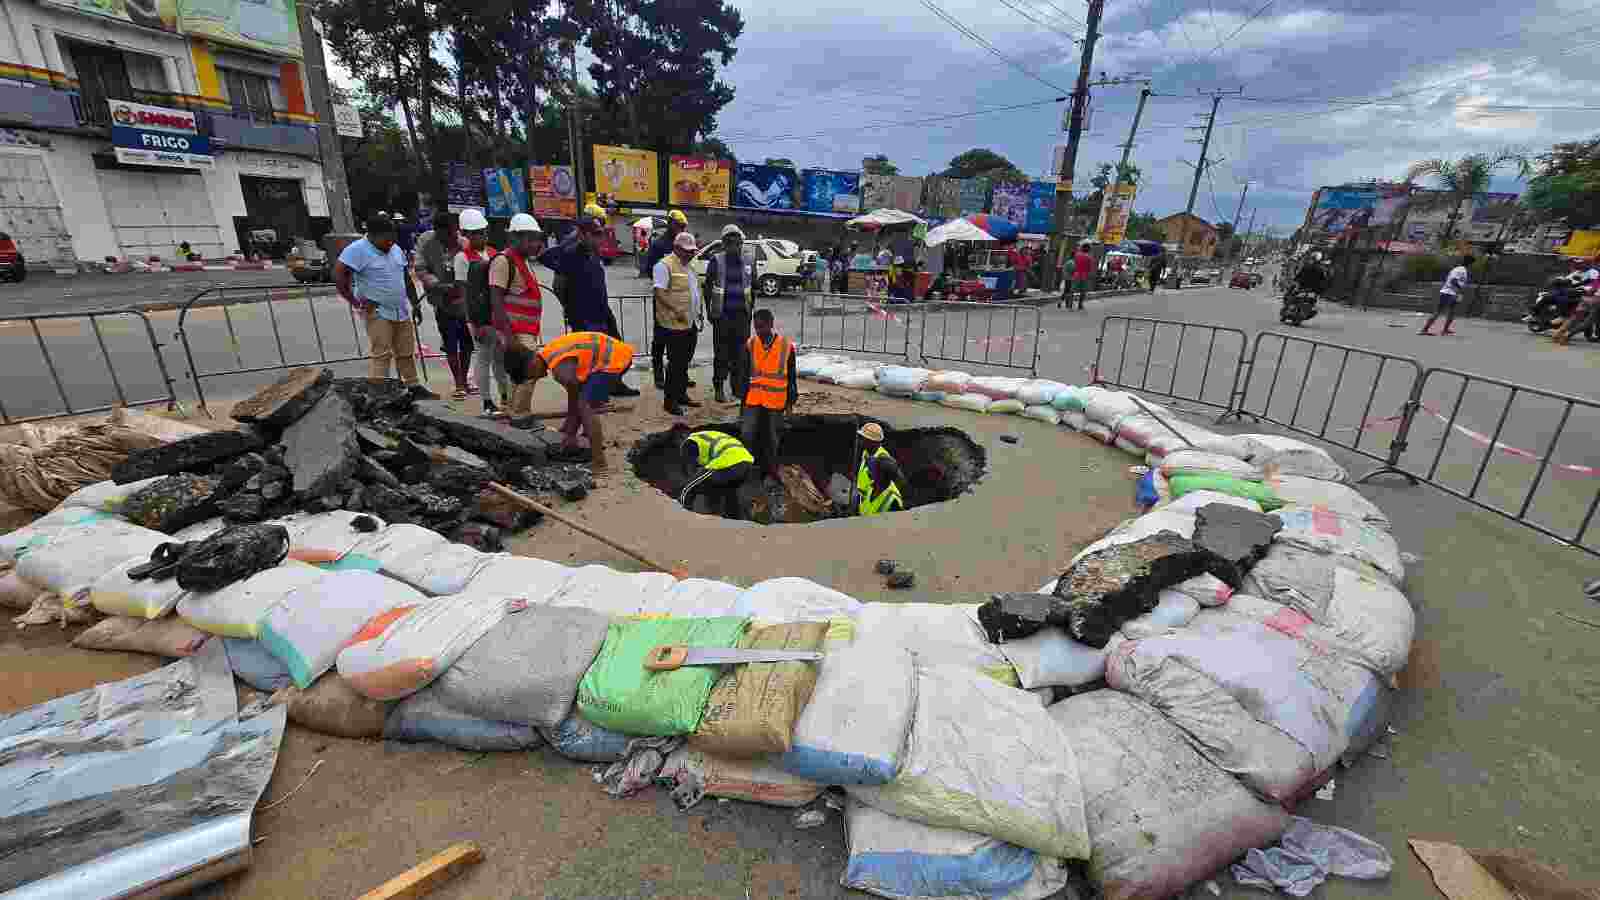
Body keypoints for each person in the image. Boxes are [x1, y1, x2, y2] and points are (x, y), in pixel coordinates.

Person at [539, 207, 640, 397]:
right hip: (584, 315)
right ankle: (593, 395)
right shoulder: (571, 254)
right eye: (595, 234)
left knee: (617, 349)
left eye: (600, 234)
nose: (600, 238)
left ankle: (615, 384)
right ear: (583, 235)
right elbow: (547, 261)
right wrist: (570, 308)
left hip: (602, 310)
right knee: (593, 357)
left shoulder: (594, 252)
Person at [504, 331, 634, 471]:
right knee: (583, 402)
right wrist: (568, 430)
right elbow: (574, 397)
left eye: (530, 376)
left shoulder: (560, 370)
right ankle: (589, 441)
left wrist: (570, 432)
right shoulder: (550, 354)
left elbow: (576, 400)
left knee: (586, 407)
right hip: (613, 354)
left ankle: (599, 462)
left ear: (530, 365)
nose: (536, 378)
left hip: (612, 360)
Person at [335, 214, 433, 397]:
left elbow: (405, 277)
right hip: (377, 310)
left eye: (392, 238)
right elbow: (339, 276)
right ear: (372, 235)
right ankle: (380, 392)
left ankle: (413, 386)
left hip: (400, 309)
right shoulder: (356, 250)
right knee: (382, 353)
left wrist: (415, 304)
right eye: (386, 239)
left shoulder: (395, 248)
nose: (391, 242)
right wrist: (355, 302)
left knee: (406, 351)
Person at [488, 213, 548, 428]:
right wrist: (509, 336)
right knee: (528, 373)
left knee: (520, 375)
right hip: (515, 331)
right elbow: (496, 299)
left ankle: (515, 413)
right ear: (514, 238)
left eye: (536, 239)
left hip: (526, 330)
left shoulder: (522, 261)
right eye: (530, 239)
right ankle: (520, 415)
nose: (535, 244)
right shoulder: (504, 261)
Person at [415, 211, 475, 401]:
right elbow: (420, 268)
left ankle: (465, 380)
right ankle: (458, 383)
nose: (452, 236)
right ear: (438, 232)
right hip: (442, 300)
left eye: (454, 232)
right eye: (448, 233)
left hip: (464, 301)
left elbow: (474, 265)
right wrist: (437, 285)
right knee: (450, 343)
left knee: (466, 343)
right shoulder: (426, 242)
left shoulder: (464, 243)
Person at [456, 212, 510, 417]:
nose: (481, 236)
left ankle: (505, 397)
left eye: (482, 232)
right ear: (465, 234)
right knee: (483, 358)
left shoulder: (493, 253)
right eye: (476, 233)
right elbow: (464, 292)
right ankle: (487, 401)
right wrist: (474, 322)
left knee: (500, 359)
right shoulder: (462, 258)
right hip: (478, 317)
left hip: (495, 313)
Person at [736, 308, 796, 478]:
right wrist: (743, 404)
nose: (759, 331)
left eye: (762, 327)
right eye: (756, 327)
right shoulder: (751, 344)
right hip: (754, 399)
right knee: (746, 433)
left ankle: (773, 470)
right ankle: (746, 467)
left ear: (771, 325)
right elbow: (744, 375)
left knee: (774, 438)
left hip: (776, 400)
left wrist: (790, 406)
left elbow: (792, 379)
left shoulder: (786, 347)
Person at [705, 223, 757, 404]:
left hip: (742, 316)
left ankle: (738, 389)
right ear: (725, 244)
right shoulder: (716, 261)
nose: (735, 246)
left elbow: (753, 288)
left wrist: (751, 313)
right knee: (721, 354)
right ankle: (719, 387)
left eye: (738, 243)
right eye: (731, 242)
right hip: (722, 316)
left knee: (741, 355)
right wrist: (709, 312)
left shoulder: (749, 261)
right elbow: (708, 288)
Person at [654, 231, 705, 415]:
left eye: (692, 251)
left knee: (684, 363)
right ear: (676, 248)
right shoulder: (664, 265)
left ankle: (681, 394)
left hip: (690, 323)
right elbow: (659, 293)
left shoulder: (688, 267)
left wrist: (699, 314)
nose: (691, 254)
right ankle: (670, 401)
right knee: (675, 364)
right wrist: (676, 311)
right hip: (674, 325)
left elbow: (694, 292)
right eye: (687, 251)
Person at [646, 210, 689, 388]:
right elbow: (649, 269)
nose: (681, 229)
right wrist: (664, 283)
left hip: (679, 300)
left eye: (683, 227)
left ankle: (680, 375)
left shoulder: (683, 244)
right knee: (660, 339)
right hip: (663, 299)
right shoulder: (659, 245)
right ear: (670, 224)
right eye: (679, 226)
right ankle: (658, 375)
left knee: (680, 341)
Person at [679, 429, 755, 519]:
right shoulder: (709, 436)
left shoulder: (690, 442)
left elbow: (693, 469)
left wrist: (693, 475)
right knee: (729, 494)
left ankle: (679, 513)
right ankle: (735, 521)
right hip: (746, 463)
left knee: (689, 487)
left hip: (729, 460)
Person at [853, 422, 904, 517]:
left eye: (863, 438)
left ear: (872, 441)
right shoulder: (867, 454)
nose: (860, 441)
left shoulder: (892, 502)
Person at [1419, 254, 1474, 336]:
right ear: (1470, 263)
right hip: (1449, 293)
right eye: (1472, 264)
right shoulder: (1461, 270)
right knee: (1438, 312)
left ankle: (1445, 330)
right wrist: (1460, 289)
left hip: (1452, 293)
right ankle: (1424, 330)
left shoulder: (1459, 269)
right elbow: (1453, 281)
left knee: (1452, 312)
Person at [1063, 241, 1094, 310]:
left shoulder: (1077, 255)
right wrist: (1089, 276)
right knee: (1083, 291)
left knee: (1072, 291)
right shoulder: (1089, 257)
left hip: (1076, 275)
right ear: (1088, 249)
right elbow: (1090, 269)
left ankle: (1070, 305)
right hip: (1084, 276)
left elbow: (1074, 265)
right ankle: (1080, 305)